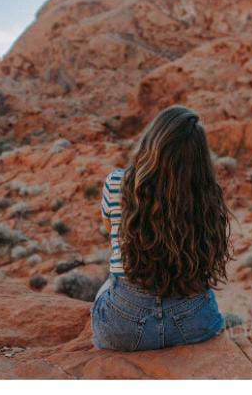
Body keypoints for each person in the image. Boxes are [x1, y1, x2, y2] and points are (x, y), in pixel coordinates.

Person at [91, 105, 233, 352]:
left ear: (151, 143)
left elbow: (111, 229)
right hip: (194, 323)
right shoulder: (206, 193)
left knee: (109, 282)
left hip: (123, 326)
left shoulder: (117, 182)